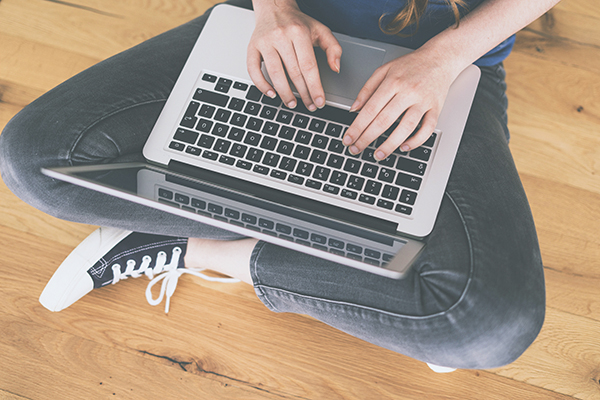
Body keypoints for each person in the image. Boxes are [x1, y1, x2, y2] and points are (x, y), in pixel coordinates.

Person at [0, 0, 560, 370]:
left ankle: (198, 248)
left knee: (489, 329)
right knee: (35, 159)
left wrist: (444, 59)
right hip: (278, 28)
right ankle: (365, 276)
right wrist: (272, 8)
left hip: (447, 66)